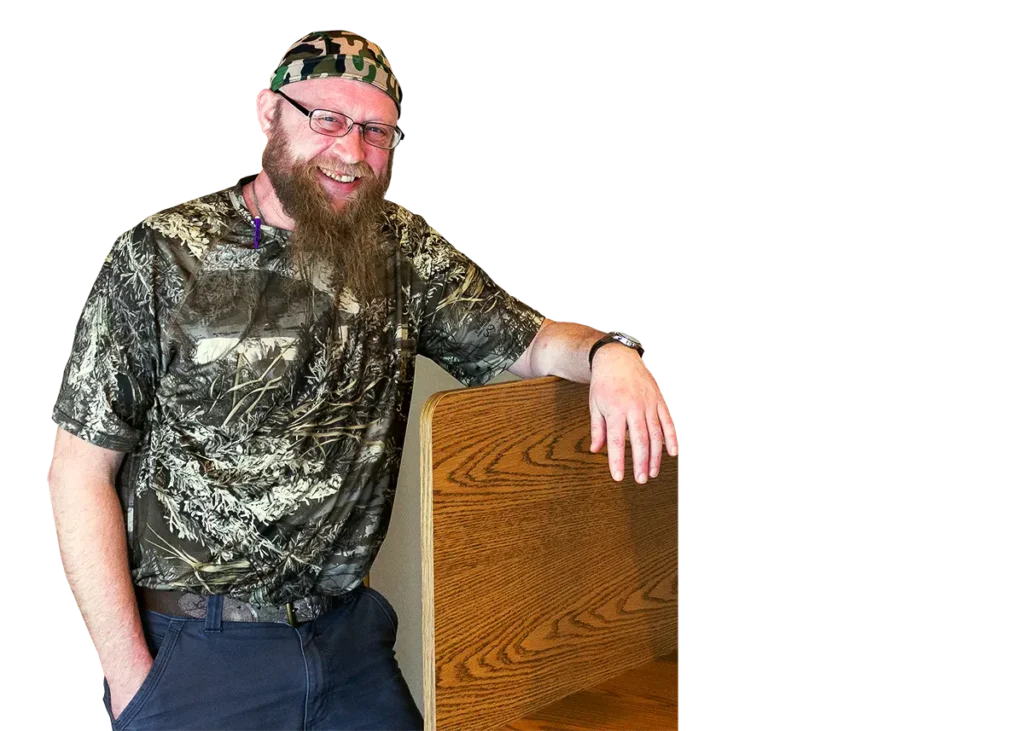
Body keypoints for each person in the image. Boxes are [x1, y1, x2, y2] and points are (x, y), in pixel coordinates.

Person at [48, 29, 678, 730]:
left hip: (347, 642)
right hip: (199, 649)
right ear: (266, 112)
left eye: (375, 131)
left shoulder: (402, 250)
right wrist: (133, 681)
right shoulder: (161, 254)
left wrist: (610, 354)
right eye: (326, 118)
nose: (351, 152)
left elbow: (528, 340)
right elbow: (79, 470)